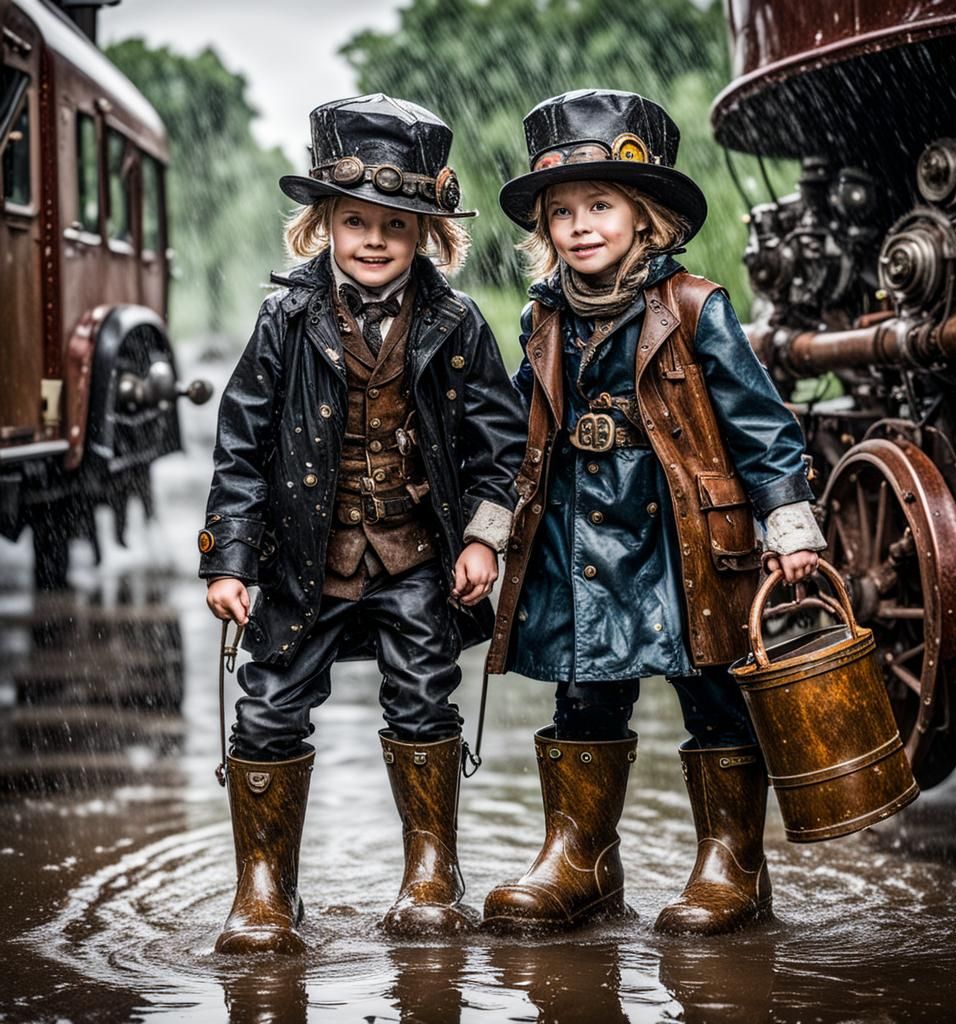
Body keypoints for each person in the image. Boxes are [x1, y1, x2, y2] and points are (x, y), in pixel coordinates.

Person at [483, 89, 827, 936]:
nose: (580, 225)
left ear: (648, 218)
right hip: (579, 539)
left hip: (685, 540)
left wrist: (788, 526)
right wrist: (490, 525)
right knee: (585, 696)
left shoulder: (695, 306)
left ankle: (733, 866)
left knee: (713, 693)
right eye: (561, 211)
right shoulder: (543, 315)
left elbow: (763, 427)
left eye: (601, 204)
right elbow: (520, 427)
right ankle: (582, 858)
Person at [198, 94, 522, 953]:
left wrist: (485, 538)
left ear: (427, 237)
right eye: (356, 223)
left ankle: (430, 874)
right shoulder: (284, 319)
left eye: (396, 226)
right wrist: (229, 561)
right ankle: (265, 890)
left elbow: (502, 447)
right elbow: (240, 446)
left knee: (424, 698)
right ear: (323, 227)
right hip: (302, 559)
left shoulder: (456, 323)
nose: (375, 241)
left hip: (416, 556)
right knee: (266, 706)